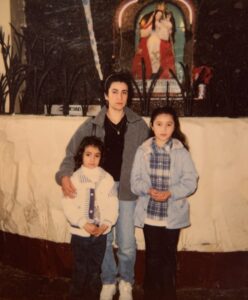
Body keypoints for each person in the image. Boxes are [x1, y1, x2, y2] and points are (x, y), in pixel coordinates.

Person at [56, 71, 149, 300]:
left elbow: (149, 158)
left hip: (127, 191)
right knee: (103, 239)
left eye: (124, 92)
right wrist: (64, 176)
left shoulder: (139, 126)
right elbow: (71, 153)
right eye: (114, 92)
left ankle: (126, 280)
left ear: (129, 97)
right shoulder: (92, 124)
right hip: (99, 192)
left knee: (126, 241)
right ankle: (108, 280)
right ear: (106, 96)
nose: (120, 97)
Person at [130, 106, 198, 300]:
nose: (164, 129)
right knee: (152, 258)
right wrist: (148, 190)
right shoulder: (142, 151)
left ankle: (168, 295)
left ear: (174, 126)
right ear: (152, 126)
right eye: (159, 124)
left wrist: (171, 192)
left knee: (168, 259)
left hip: (172, 216)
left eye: (169, 124)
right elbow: (134, 182)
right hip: (150, 215)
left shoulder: (181, 152)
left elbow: (190, 181)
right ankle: (150, 295)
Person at [61, 136, 118, 300]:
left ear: (101, 157)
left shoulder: (107, 179)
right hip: (80, 234)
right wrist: (82, 223)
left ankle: (93, 295)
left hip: (100, 235)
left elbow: (112, 204)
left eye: (97, 155)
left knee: (95, 269)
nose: (92, 159)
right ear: (81, 155)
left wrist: (107, 223)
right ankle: (76, 294)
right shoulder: (74, 178)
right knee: (80, 267)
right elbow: (68, 205)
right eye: (88, 154)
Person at [132, 9, 176, 80]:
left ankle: (158, 73)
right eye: (157, 15)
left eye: (160, 15)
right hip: (151, 42)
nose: (158, 16)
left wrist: (164, 26)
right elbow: (144, 33)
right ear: (154, 15)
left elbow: (165, 35)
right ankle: (152, 73)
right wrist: (149, 30)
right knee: (151, 58)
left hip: (159, 43)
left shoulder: (162, 24)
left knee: (159, 58)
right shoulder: (151, 24)